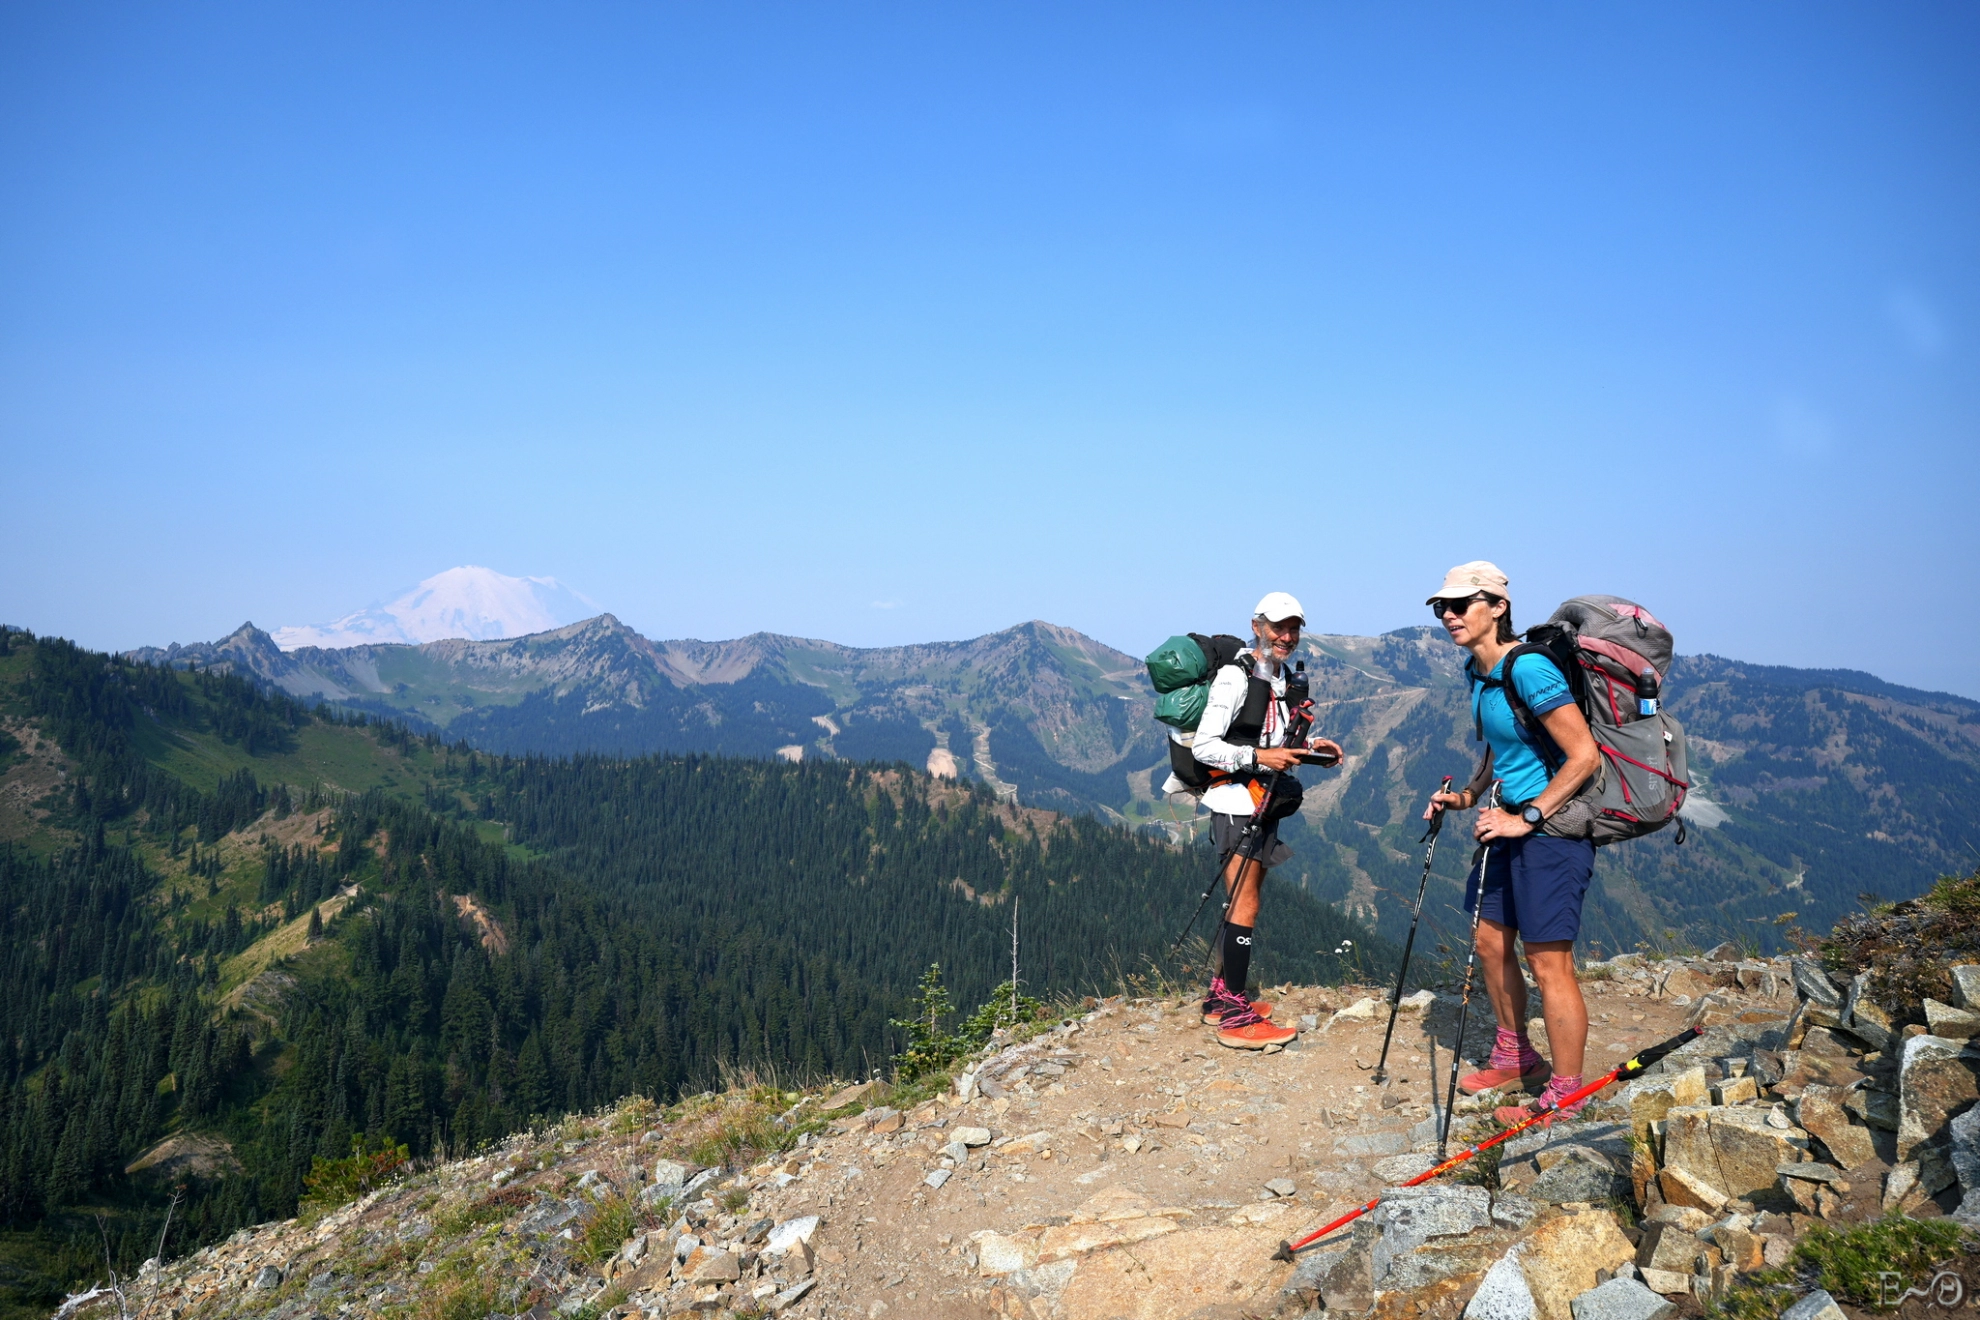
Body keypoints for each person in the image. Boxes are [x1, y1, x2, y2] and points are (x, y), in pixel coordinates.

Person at [1420, 561, 1604, 1125]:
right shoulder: (1478, 671)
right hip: (1505, 824)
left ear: (1498, 606)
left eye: (1461, 605)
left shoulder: (1530, 667)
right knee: (1490, 943)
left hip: (1551, 833)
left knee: (1549, 964)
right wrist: (1468, 795)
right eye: (1442, 607)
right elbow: (1503, 746)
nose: (1449, 616)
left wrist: (1527, 817)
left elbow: (1584, 756)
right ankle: (1515, 1055)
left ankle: (1565, 1096)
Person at [1178, 591, 1345, 1050]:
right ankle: (1236, 1013)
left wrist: (1312, 750)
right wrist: (1258, 758)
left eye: (1293, 628)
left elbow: (1273, 739)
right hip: (1235, 802)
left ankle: (1219, 997)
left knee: (1242, 901)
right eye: (1278, 627)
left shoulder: (1280, 677)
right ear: (1257, 626)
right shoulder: (1235, 677)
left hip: (1262, 801)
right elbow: (1205, 747)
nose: (1286, 636)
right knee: (1244, 904)